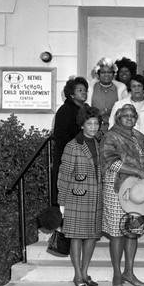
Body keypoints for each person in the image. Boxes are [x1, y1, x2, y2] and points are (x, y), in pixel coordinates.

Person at [100, 105, 144, 286]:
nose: (129, 118)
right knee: (117, 232)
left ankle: (129, 271)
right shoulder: (111, 136)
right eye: (125, 116)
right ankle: (117, 274)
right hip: (117, 188)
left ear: (136, 118)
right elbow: (110, 161)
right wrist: (137, 170)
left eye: (132, 116)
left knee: (132, 229)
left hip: (137, 190)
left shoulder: (140, 137)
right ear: (118, 118)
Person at [57, 106, 103, 286]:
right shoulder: (72, 145)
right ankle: (77, 275)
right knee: (76, 237)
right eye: (89, 123)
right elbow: (64, 174)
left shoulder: (100, 143)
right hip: (77, 198)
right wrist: (62, 201)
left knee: (92, 236)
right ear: (82, 125)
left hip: (96, 197)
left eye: (96, 123)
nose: (93, 127)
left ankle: (84, 272)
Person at [52, 76, 89, 205]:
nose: (84, 92)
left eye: (85, 90)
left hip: (86, 157)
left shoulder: (87, 109)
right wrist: (76, 151)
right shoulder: (65, 110)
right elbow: (61, 136)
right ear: (72, 94)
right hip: (69, 157)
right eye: (80, 90)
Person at [108, 74, 144, 139]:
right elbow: (112, 125)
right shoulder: (119, 104)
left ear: (143, 87)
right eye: (133, 86)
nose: (137, 88)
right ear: (130, 88)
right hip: (124, 143)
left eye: (139, 86)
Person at [86, 57, 129, 134]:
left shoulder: (120, 89)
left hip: (114, 129)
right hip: (94, 128)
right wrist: (98, 114)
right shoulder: (91, 88)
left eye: (109, 72)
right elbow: (86, 109)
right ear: (98, 74)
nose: (106, 75)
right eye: (103, 72)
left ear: (113, 74)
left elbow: (124, 110)